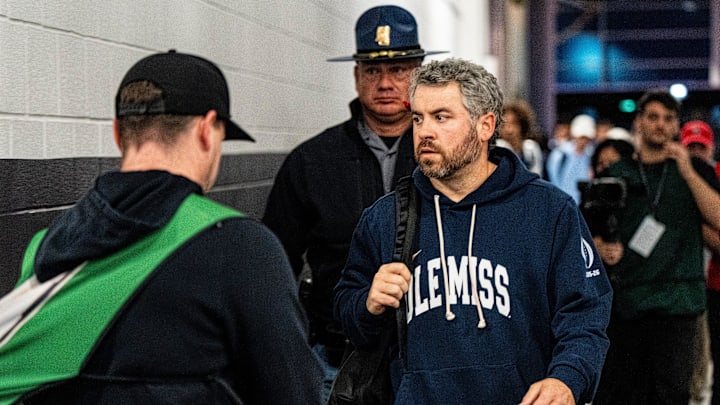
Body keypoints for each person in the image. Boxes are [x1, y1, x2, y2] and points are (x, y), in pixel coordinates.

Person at [0, 51, 323, 404]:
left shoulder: (46, 248)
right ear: (206, 130)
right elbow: (294, 392)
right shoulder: (240, 248)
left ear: (117, 132)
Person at [334, 58, 612, 404]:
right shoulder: (385, 218)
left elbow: (585, 315)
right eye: (418, 118)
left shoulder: (549, 212)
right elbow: (348, 314)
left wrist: (567, 379)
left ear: (485, 125)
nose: (424, 132)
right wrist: (367, 304)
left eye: (441, 117)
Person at [261, 5, 446, 400]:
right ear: (356, 76)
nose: (385, 82)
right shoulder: (312, 161)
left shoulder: (450, 156)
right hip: (336, 357)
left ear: (419, 73)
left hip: (432, 358)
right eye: (372, 70)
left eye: (398, 69)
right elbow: (275, 266)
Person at [593, 92, 720, 405]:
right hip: (628, 303)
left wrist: (688, 170)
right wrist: (602, 247)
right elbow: (590, 233)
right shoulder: (616, 174)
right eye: (653, 117)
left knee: (673, 395)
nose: (660, 125)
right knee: (627, 395)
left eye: (668, 118)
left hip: (679, 305)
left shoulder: (695, 171)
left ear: (677, 125)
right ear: (639, 122)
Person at [680, 120, 720, 404]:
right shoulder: (671, 180)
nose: (696, 153)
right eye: (690, 147)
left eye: (701, 147)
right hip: (691, 286)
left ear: (711, 147)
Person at [546, 113, 596, 204]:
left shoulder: (591, 155)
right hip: (563, 203)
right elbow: (553, 181)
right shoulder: (560, 154)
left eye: (586, 138)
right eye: (581, 137)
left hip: (583, 204)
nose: (583, 141)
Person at [497, 99, 544, 176]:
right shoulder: (496, 149)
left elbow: (538, 174)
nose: (509, 130)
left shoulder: (531, 149)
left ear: (522, 126)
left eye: (514, 124)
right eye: (504, 125)